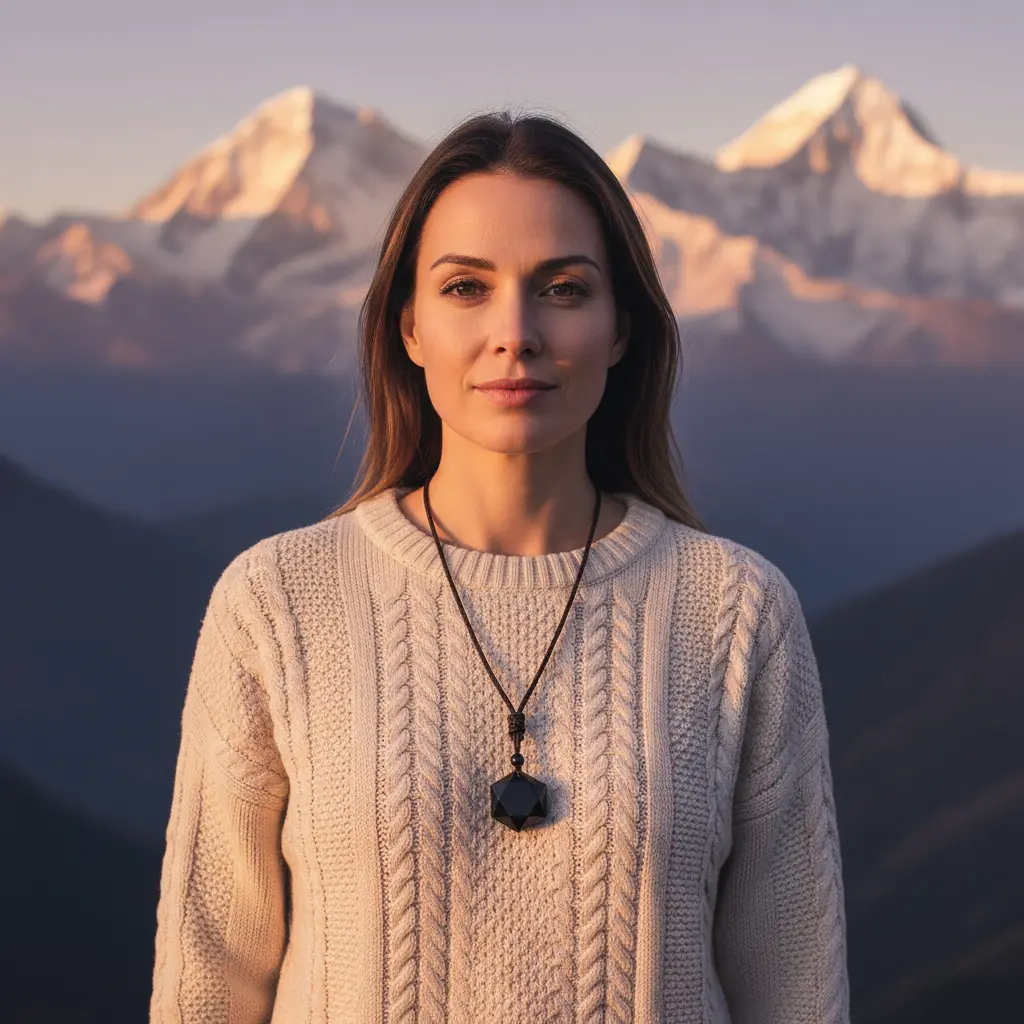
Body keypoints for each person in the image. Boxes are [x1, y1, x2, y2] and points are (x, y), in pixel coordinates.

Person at [149, 109, 849, 1023]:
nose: (515, 331)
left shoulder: (736, 611)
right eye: (466, 288)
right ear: (408, 325)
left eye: (563, 289)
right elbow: (208, 976)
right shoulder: (278, 604)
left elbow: (796, 988)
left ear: (623, 328)